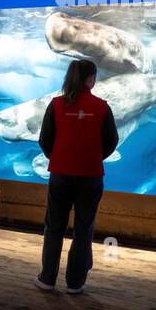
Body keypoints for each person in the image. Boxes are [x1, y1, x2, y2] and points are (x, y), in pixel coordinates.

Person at [35, 58, 118, 294]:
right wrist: (91, 157)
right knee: (84, 229)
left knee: (54, 227)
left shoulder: (56, 104)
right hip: (90, 176)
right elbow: (112, 141)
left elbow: (45, 139)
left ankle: (47, 279)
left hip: (60, 175)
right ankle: (75, 283)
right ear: (90, 79)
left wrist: (60, 158)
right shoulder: (102, 107)